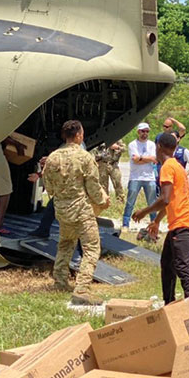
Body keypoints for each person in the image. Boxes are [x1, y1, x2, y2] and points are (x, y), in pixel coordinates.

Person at [42, 120, 110, 305]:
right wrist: (103, 201)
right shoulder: (85, 157)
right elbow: (93, 186)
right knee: (91, 248)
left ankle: (60, 281)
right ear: (79, 135)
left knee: (65, 244)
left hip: (62, 210)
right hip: (81, 210)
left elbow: (48, 186)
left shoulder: (53, 157)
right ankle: (82, 289)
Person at [133, 133, 189, 304]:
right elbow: (172, 200)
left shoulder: (167, 167)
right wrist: (157, 221)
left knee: (182, 267)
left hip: (182, 224)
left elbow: (165, 198)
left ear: (159, 146)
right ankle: (169, 304)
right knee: (167, 264)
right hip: (179, 223)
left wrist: (144, 212)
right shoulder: (177, 166)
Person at [122, 123, 158, 230]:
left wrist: (141, 158)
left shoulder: (152, 145)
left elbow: (154, 159)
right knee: (130, 201)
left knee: (152, 203)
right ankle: (125, 224)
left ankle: (154, 223)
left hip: (149, 176)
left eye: (147, 131)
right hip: (135, 177)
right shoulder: (132, 144)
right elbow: (135, 160)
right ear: (138, 132)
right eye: (143, 131)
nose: (145, 133)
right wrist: (147, 159)